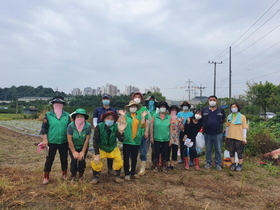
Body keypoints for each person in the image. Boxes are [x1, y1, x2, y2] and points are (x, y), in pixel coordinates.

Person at [40, 96, 70, 184]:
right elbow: (44, 129)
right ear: (53, 105)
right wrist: (45, 140)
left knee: (64, 158)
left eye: (60, 104)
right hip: (52, 141)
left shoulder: (67, 115)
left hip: (64, 141)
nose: (58, 105)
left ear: (63, 105)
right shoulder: (48, 115)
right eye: (56, 104)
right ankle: (46, 176)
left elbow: (70, 128)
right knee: (49, 159)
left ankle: (64, 174)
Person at [91, 111, 127, 184]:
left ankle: (116, 176)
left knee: (119, 160)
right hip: (102, 148)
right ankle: (96, 177)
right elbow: (95, 140)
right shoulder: (99, 126)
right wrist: (97, 153)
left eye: (112, 119)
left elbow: (121, 140)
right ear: (104, 119)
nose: (110, 120)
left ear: (114, 120)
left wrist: (121, 132)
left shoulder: (116, 127)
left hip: (112, 147)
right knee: (96, 161)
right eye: (108, 118)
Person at [92, 93, 118, 175]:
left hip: (110, 131)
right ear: (102, 100)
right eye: (104, 99)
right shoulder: (98, 110)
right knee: (100, 148)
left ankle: (110, 168)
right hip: (100, 131)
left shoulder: (114, 110)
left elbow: (115, 122)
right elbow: (95, 120)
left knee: (110, 148)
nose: (105, 100)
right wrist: (98, 129)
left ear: (110, 100)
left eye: (107, 99)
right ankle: (97, 171)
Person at [122, 100, 147, 180]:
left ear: (136, 108)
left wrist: (143, 117)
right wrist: (122, 116)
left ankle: (133, 172)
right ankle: (126, 173)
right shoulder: (125, 116)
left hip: (136, 140)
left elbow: (143, 126)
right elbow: (121, 125)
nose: (133, 108)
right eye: (131, 107)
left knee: (134, 157)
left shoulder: (139, 116)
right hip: (127, 140)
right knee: (126, 157)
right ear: (129, 108)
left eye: (134, 107)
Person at [67, 108, 91, 181]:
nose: (79, 118)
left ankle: (81, 175)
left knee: (82, 160)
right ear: (75, 118)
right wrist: (74, 151)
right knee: (74, 160)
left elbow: (87, 140)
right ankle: (73, 175)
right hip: (73, 147)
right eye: (78, 116)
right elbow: (70, 140)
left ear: (84, 118)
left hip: (83, 146)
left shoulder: (88, 126)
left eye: (82, 116)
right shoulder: (70, 126)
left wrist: (83, 152)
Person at [202, 95, 226, 170]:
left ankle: (218, 163)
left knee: (218, 149)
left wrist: (220, 127)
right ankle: (208, 163)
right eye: (210, 100)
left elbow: (224, 120)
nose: (212, 101)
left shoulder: (221, 110)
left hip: (218, 133)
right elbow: (200, 119)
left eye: (214, 100)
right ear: (208, 101)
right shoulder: (204, 110)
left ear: (216, 101)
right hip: (207, 133)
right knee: (208, 149)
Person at [131, 92, 150, 176]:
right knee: (132, 152)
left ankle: (142, 168)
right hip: (132, 134)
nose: (137, 98)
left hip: (141, 134)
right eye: (136, 97)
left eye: (139, 97)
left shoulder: (144, 109)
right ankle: (131, 167)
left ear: (141, 99)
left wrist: (146, 132)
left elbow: (147, 121)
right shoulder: (131, 109)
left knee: (143, 151)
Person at [225, 103, 248, 172]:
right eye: (232, 107)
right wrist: (226, 136)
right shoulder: (229, 116)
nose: (233, 108)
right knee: (231, 151)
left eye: (235, 106)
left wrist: (244, 138)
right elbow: (227, 127)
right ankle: (233, 164)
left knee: (239, 152)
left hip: (239, 137)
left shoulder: (242, 117)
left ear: (238, 108)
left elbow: (244, 128)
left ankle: (240, 165)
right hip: (230, 136)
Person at [150, 101, 172, 173]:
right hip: (156, 138)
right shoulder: (155, 116)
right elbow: (151, 127)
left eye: (164, 107)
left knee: (165, 153)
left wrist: (171, 139)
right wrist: (151, 137)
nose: (163, 108)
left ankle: (164, 166)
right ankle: (156, 166)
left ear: (166, 109)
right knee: (156, 152)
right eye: (161, 107)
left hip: (166, 138)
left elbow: (170, 128)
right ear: (159, 108)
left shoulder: (169, 117)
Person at [177, 101, 193, 165]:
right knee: (182, 145)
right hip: (182, 132)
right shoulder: (179, 114)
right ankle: (182, 158)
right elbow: (177, 121)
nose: (185, 107)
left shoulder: (191, 114)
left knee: (190, 145)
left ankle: (191, 160)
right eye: (184, 106)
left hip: (190, 132)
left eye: (186, 106)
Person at [167, 105, 182, 170]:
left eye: (175, 110)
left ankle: (172, 164)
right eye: (172, 110)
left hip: (176, 138)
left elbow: (181, 128)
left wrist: (181, 123)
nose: (173, 111)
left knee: (174, 151)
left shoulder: (178, 119)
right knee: (167, 151)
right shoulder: (167, 118)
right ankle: (167, 164)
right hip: (168, 137)